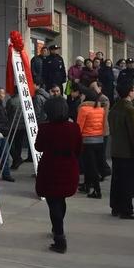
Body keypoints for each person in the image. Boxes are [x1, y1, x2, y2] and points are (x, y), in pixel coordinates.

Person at [35, 97, 81, 253]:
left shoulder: (45, 128)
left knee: (53, 201)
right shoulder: (74, 127)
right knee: (60, 199)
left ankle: (59, 236)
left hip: (50, 168)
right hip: (69, 167)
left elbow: (38, 147)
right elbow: (79, 148)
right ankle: (58, 229)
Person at [108, 82, 134, 219]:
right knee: (128, 182)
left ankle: (115, 206)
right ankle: (126, 209)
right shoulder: (130, 110)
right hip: (128, 152)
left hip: (116, 149)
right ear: (130, 92)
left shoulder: (114, 108)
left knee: (117, 180)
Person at [76, 89, 107, 198]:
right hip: (99, 140)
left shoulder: (83, 109)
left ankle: (96, 190)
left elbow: (79, 126)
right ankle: (88, 186)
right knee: (95, 165)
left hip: (87, 141)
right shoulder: (100, 109)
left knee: (90, 166)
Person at [6, 88, 26, 170]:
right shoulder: (25, 100)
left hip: (12, 125)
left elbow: (7, 113)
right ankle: (16, 161)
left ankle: (16, 158)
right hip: (22, 126)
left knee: (9, 143)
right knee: (19, 144)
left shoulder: (11, 101)